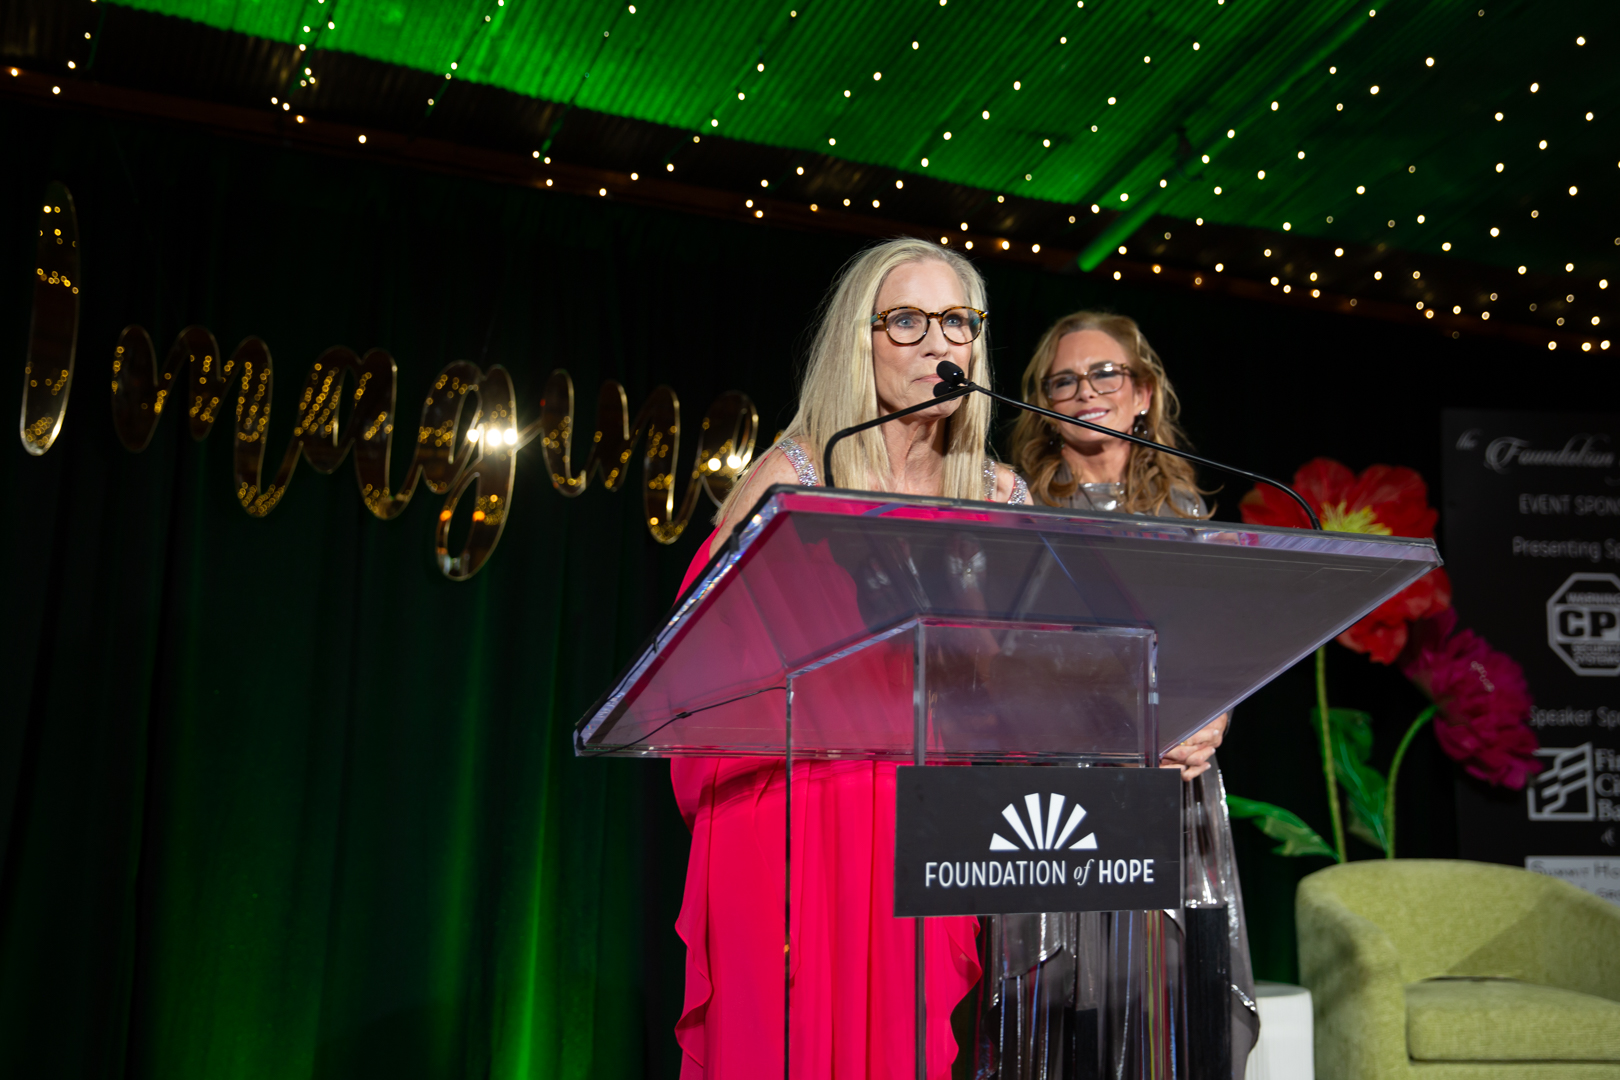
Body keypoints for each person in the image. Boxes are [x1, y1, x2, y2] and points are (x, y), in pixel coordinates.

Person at [669, 238, 1030, 1079]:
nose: (937, 344)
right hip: (789, 815)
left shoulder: (1002, 495)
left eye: (956, 322)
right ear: (857, 342)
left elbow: (1028, 668)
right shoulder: (796, 477)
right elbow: (701, 664)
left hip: (925, 825)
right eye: (906, 321)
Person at [984, 310, 1259, 1079]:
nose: (1084, 392)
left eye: (1104, 374)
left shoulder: (1186, 517)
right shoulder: (1016, 512)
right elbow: (996, 661)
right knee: (1064, 1016)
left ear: (1142, 392)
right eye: (1062, 380)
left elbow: (1216, 655)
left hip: (1174, 790)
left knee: (1167, 1011)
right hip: (1059, 792)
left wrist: (1216, 714)